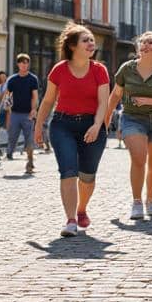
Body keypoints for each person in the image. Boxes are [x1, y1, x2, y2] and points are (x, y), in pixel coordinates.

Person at [34, 23, 111, 237]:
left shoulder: (99, 70)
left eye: (92, 40)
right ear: (72, 46)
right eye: (86, 40)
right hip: (63, 125)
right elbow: (48, 101)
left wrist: (97, 125)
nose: (91, 43)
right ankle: (70, 220)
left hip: (91, 125)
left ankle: (81, 209)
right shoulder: (59, 69)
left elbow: (103, 102)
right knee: (68, 171)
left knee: (87, 176)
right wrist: (38, 126)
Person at [103, 32, 152, 220]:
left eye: (151, 42)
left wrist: (147, 100)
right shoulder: (127, 69)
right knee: (139, 159)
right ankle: (137, 201)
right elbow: (115, 95)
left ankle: (150, 198)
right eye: (143, 42)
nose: (146, 44)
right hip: (133, 119)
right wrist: (105, 121)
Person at [4, 54, 40, 174]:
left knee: (29, 139)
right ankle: (9, 152)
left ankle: (30, 163)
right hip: (15, 113)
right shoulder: (12, 80)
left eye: (26, 63)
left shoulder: (32, 79)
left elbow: (35, 96)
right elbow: (8, 97)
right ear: (18, 64)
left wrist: (34, 109)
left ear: (28, 64)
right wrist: (8, 113)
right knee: (12, 137)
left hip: (27, 114)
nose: (24, 65)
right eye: (22, 62)